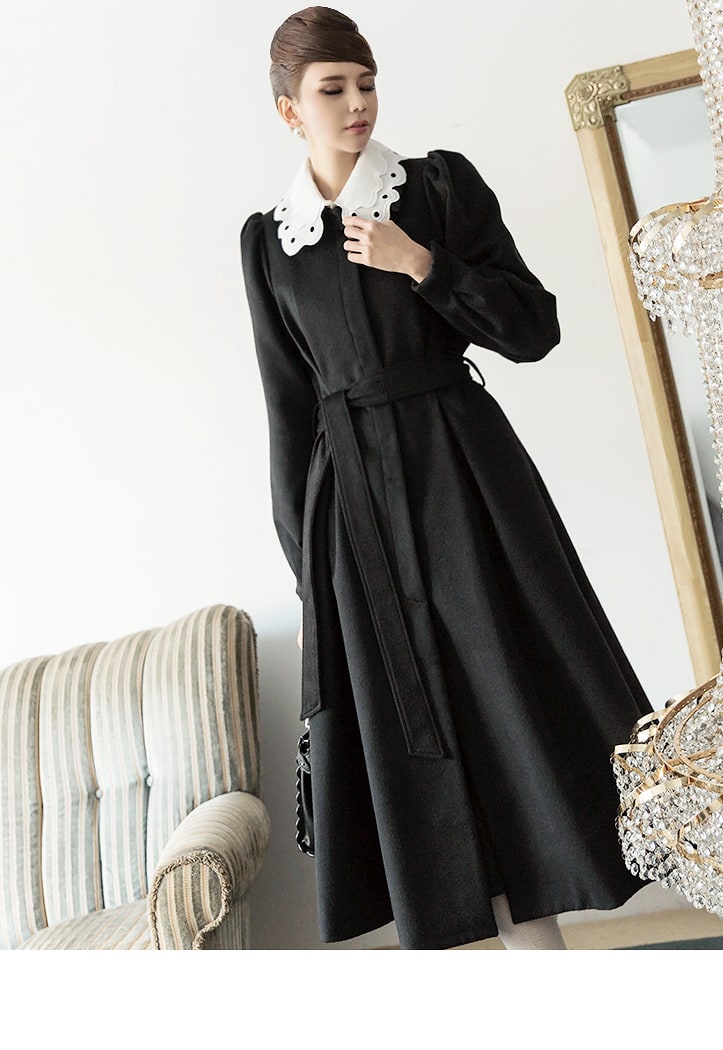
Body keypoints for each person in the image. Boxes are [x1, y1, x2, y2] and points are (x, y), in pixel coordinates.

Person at [241, 6, 653, 950]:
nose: (357, 103)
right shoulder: (269, 243)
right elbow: (287, 411)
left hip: (465, 482)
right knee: (412, 737)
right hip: (352, 517)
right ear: (289, 110)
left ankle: (551, 937)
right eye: (332, 89)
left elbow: (533, 328)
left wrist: (421, 264)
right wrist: (310, 573)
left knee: (512, 698)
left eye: (366, 82)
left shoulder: (435, 188)